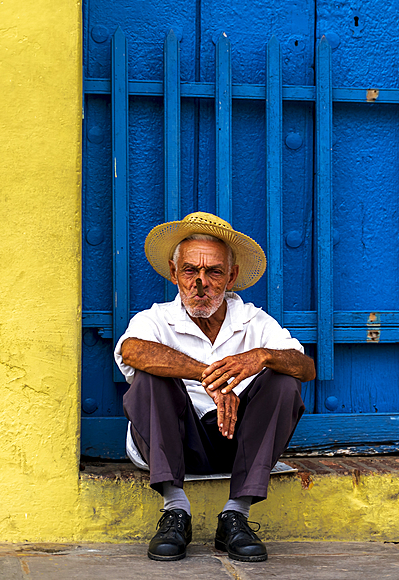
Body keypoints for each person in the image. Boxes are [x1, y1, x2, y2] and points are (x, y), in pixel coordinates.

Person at [113, 212, 315, 563]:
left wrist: (262, 356)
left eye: (214, 272)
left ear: (231, 277)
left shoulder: (254, 320)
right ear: (175, 274)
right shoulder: (156, 319)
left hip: (239, 443)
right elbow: (131, 351)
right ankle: (175, 511)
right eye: (191, 270)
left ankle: (236, 516)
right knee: (148, 376)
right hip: (176, 441)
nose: (200, 283)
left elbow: (306, 368)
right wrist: (210, 376)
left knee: (284, 379)